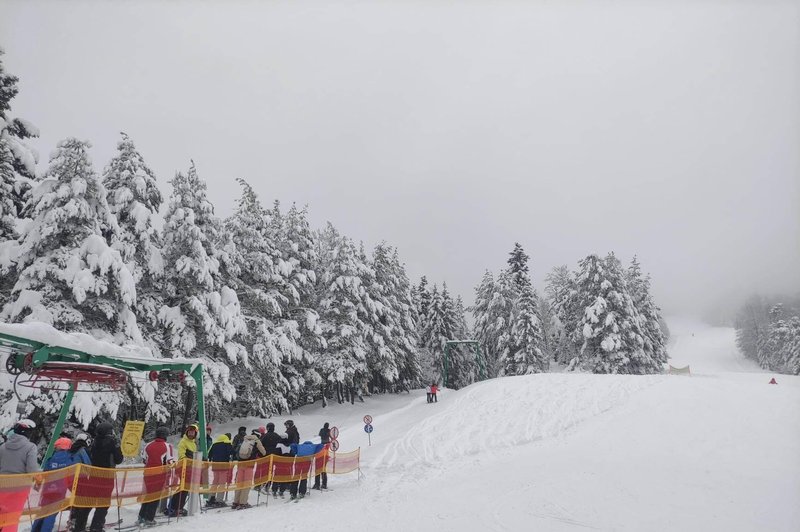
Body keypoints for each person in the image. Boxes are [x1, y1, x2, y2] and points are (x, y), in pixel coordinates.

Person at [72, 422, 123, 532]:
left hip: (93, 476)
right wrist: (118, 447)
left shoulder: (94, 442)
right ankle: (96, 526)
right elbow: (119, 459)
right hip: (106, 477)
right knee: (103, 504)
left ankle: (79, 526)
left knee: (88, 502)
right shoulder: (112, 443)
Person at [0, 419, 40, 532]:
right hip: (19, 488)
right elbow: (32, 469)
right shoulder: (30, 447)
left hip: (2, 486)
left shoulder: (3, 446)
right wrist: (37, 481)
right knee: (12, 517)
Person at [31, 437, 75, 532]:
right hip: (60, 491)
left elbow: (44, 473)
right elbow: (71, 477)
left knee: (42, 512)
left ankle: (34, 530)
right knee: (51, 514)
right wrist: (73, 490)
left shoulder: (51, 459)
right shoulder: (70, 460)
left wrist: (37, 486)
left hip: (47, 490)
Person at [137, 427, 174, 527]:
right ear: (165, 435)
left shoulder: (148, 445)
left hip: (148, 474)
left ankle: (141, 516)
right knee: (155, 496)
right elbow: (169, 462)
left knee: (148, 495)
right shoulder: (167, 446)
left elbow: (144, 460)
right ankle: (149, 518)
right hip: (159, 475)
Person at [167, 424, 198, 517]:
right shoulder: (183, 442)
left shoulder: (193, 443)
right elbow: (181, 455)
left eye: (193, 432)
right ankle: (175, 507)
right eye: (189, 432)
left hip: (190, 468)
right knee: (184, 488)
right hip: (184, 467)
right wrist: (188, 458)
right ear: (187, 432)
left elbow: (194, 455)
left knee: (185, 488)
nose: (191, 434)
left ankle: (176, 507)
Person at [231, 429, 266, 510]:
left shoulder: (245, 438)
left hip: (240, 464)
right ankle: (243, 503)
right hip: (249, 465)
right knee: (246, 484)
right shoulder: (256, 440)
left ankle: (236, 502)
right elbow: (263, 452)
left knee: (239, 483)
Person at [207, 433, 233, 508]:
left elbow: (209, 454)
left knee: (215, 482)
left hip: (215, 466)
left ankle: (211, 498)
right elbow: (231, 452)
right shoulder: (227, 443)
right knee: (222, 483)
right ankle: (219, 500)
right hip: (224, 466)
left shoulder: (215, 444)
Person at [312, 423, 331, 490]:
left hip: (322, 446)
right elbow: (331, 436)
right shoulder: (329, 430)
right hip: (326, 449)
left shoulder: (322, 430)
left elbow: (320, 434)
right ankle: (324, 484)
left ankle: (317, 484)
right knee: (323, 470)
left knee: (318, 470)